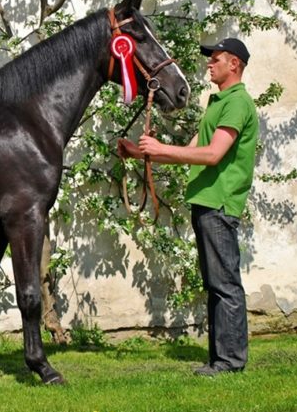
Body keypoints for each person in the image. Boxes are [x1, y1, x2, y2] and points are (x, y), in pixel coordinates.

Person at [118, 38, 258, 376]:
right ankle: (219, 359)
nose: (210, 64)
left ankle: (230, 362)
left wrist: (160, 146)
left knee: (224, 284)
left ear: (234, 64)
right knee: (216, 284)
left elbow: (211, 155)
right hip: (206, 202)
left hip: (220, 203)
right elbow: (190, 149)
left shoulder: (237, 104)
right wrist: (143, 153)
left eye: (217, 59)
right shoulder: (219, 102)